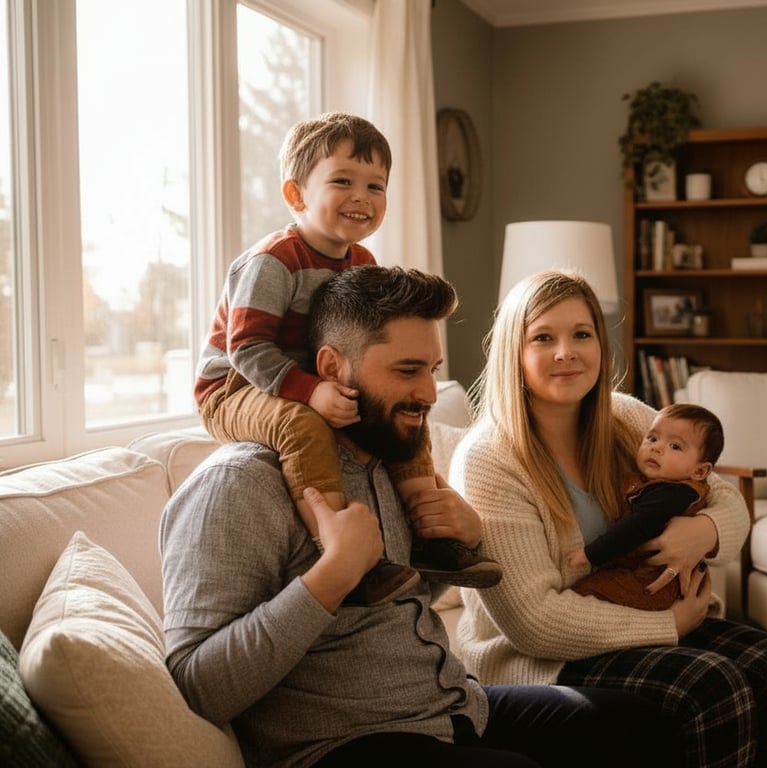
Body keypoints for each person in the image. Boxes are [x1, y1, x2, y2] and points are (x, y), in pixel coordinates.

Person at [162, 265, 681, 768]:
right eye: (407, 371)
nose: (430, 395)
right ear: (331, 368)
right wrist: (329, 578)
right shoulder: (237, 485)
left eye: (432, 370)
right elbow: (195, 684)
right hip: (339, 745)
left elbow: (391, 605)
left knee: (637, 722)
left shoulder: (382, 460)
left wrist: (464, 546)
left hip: (451, 709)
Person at [450, 270, 767, 768]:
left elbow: (724, 497)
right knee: (713, 687)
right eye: (544, 337)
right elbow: (535, 625)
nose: (566, 351)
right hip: (544, 658)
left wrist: (705, 531)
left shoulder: (626, 419)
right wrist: (671, 624)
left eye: (581, 334)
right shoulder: (487, 460)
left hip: (642, 616)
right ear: (513, 355)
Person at [193, 112, 499, 604]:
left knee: (404, 414)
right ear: (296, 195)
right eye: (342, 181)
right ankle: (339, 544)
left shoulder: (363, 264)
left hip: (312, 374)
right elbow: (245, 348)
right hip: (234, 386)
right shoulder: (273, 261)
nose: (362, 196)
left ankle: (431, 533)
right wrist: (311, 391)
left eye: (376, 186)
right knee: (303, 426)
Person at [567, 402, 723, 611]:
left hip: (655, 581)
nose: (656, 447)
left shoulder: (674, 494)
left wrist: (589, 554)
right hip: (642, 574)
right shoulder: (657, 483)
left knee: (583, 596)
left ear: (700, 472)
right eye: (652, 438)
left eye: (675, 446)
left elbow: (634, 528)